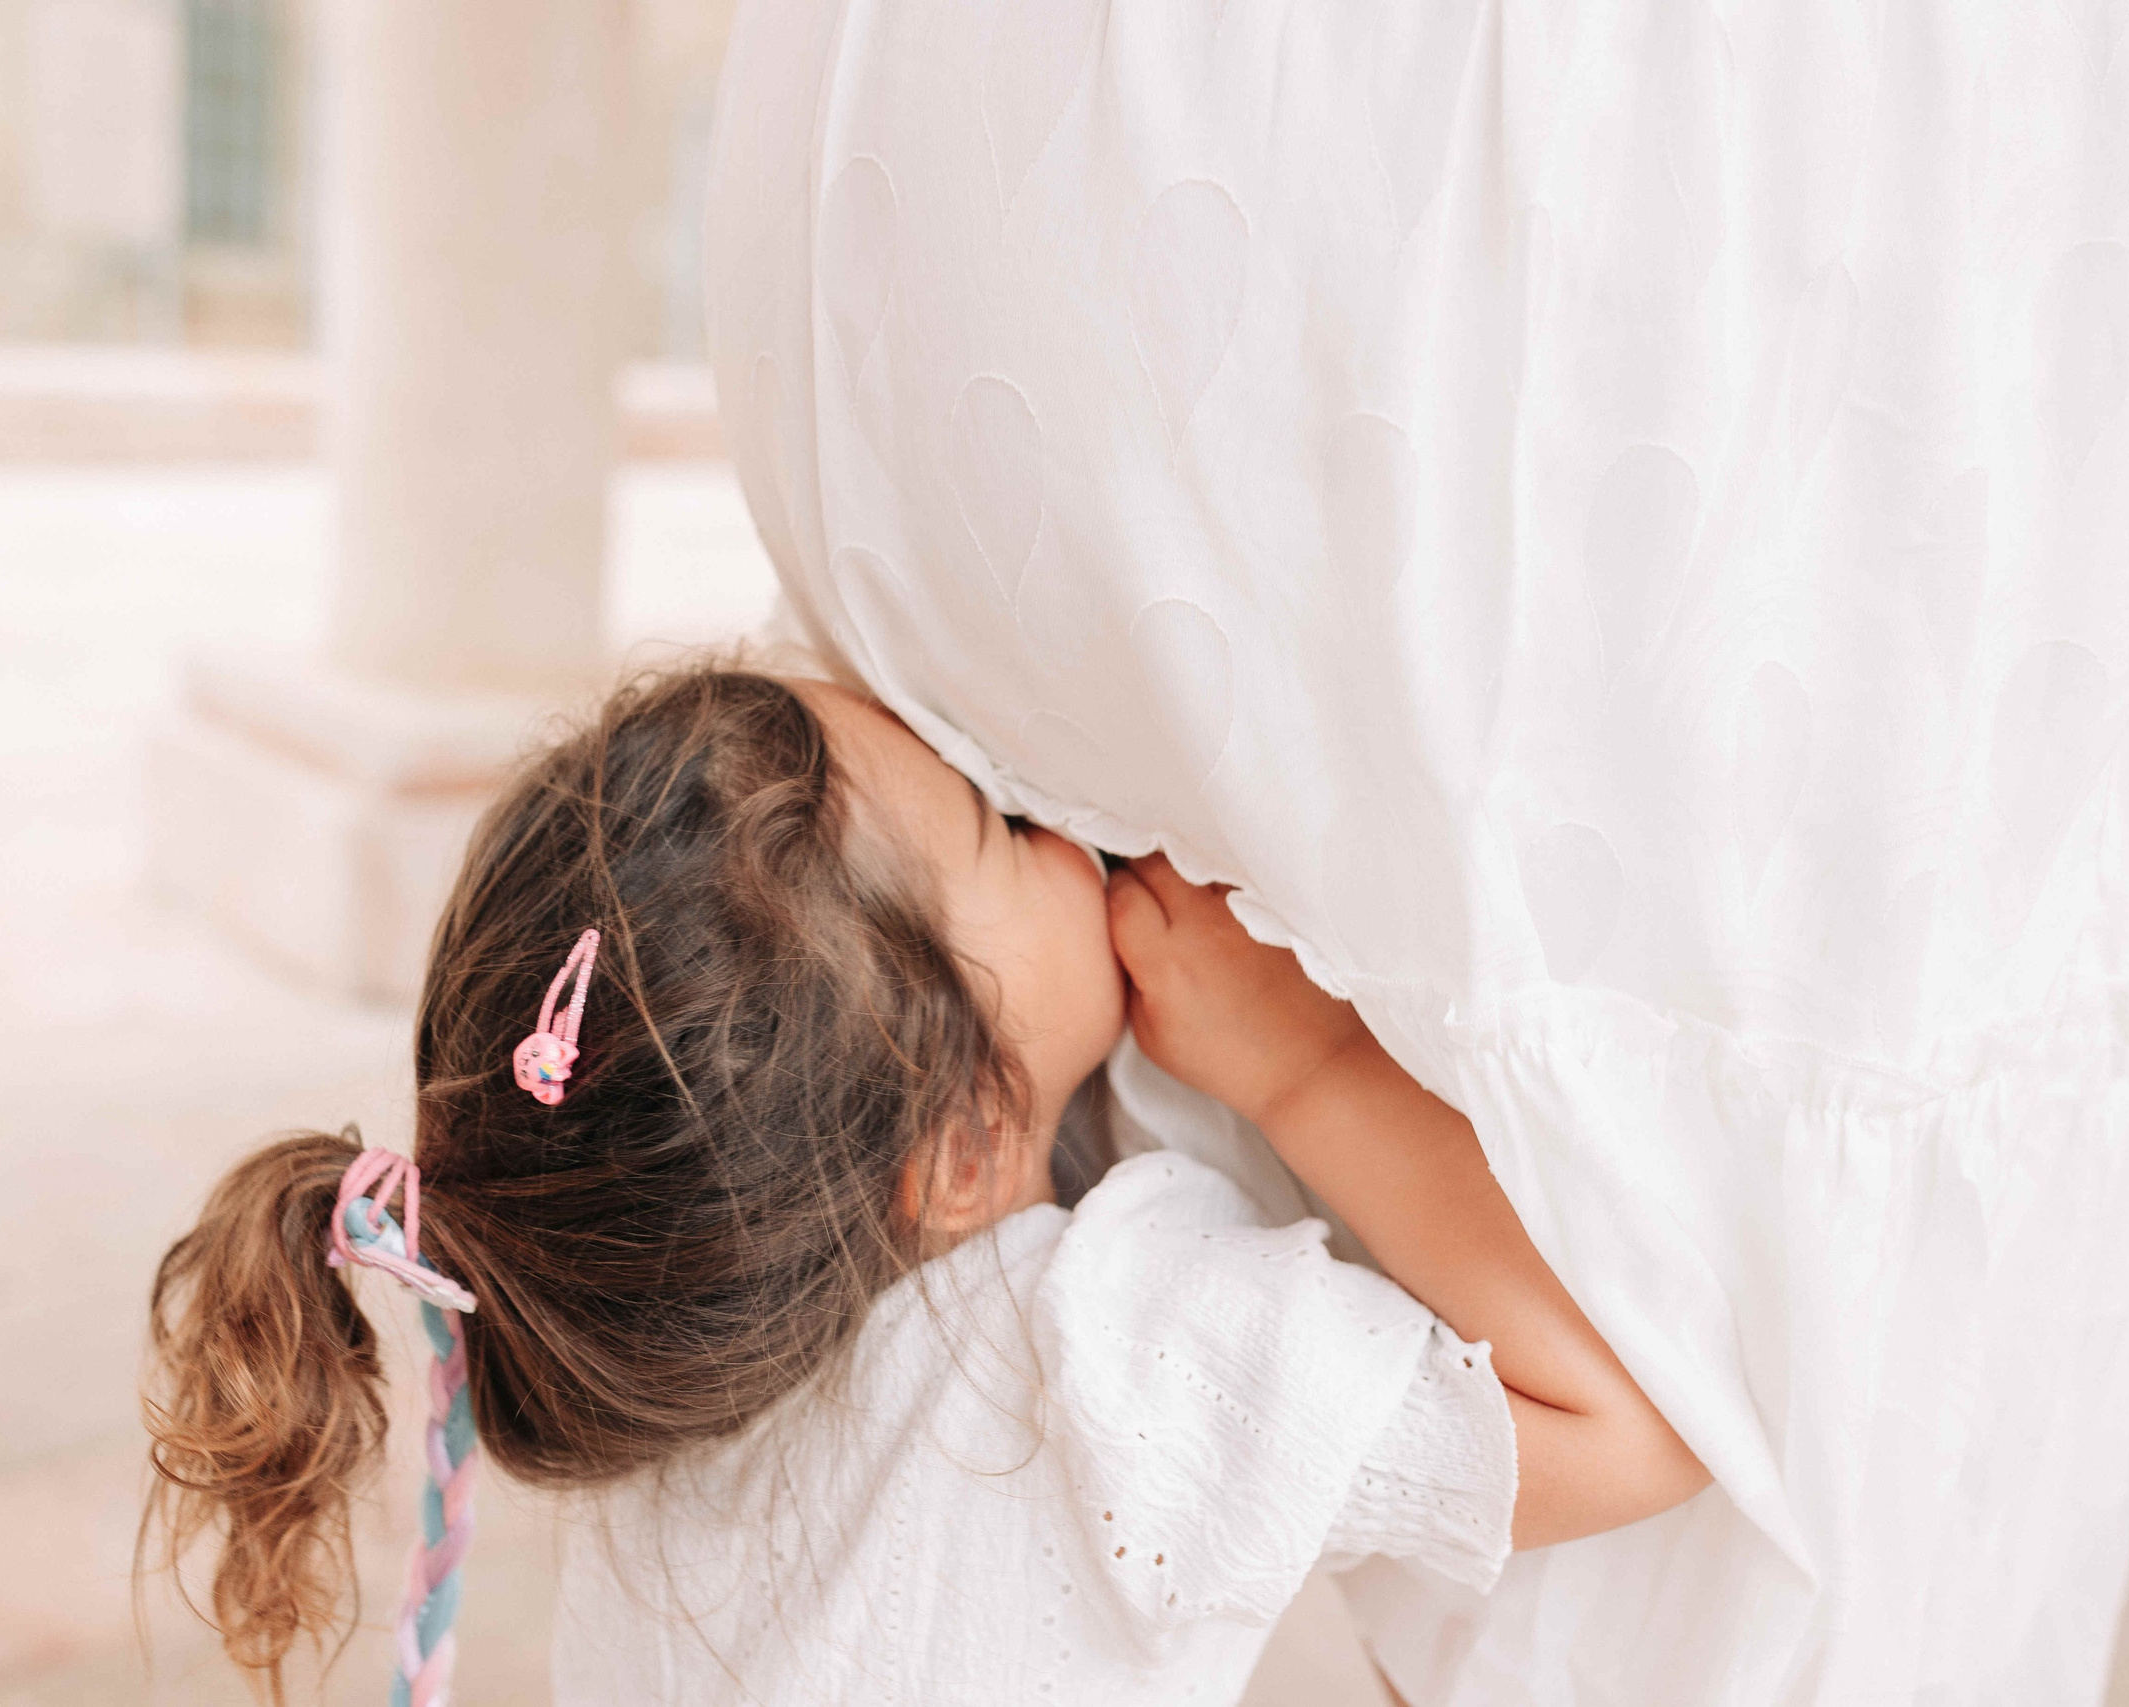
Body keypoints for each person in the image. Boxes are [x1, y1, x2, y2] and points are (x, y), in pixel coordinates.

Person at [140, 664, 1707, 1706]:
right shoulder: (1111, 1358)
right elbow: (1631, 1429)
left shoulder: (662, 1371)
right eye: (1003, 828)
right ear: (959, 1146)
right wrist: (1306, 1069)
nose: (1060, 832)